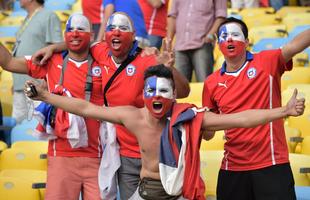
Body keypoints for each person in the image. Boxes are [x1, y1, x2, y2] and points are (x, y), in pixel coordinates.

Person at [25, 64, 305, 200]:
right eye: (151, 90)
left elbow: (241, 119)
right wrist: (46, 97)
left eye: (164, 91)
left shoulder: (189, 118)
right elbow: (85, 107)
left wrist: (284, 111)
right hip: (146, 193)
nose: (157, 96)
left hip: (182, 194)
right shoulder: (132, 117)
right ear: (143, 94)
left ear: (173, 95)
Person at [32, 12, 190, 199]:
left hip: (157, 153)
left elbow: (183, 92)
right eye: (111, 28)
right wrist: (53, 48)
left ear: (133, 37)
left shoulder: (147, 60)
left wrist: (169, 68)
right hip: (125, 155)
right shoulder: (100, 51)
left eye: (123, 28)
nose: (116, 32)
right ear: (105, 36)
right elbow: (79, 41)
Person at [202, 17, 310, 200]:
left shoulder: (267, 61)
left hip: (272, 164)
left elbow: (294, 46)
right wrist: (202, 124)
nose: (229, 39)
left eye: (235, 35)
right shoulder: (211, 82)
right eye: (224, 36)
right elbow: (208, 135)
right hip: (232, 168)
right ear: (218, 43)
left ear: (246, 42)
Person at [0, 13, 104, 200]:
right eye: (70, 29)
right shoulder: (52, 60)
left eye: (81, 29)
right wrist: (55, 48)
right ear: (65, 34)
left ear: (91, 35)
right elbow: (9, 62)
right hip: (61, 155)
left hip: (98, 155)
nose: (74, 33)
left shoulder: (103, 61)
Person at [11, 0, 63, 124]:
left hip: (38, 87)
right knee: (19, 129)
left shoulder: (48, 15)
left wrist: (47, 80)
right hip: (20, 86)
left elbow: (56, 49)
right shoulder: (27, 18)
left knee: (39, 128)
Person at [166, 0, 226, 82]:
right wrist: (169, 40)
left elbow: (221, 16)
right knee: (179, 88)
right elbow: (172, 16)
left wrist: (210, 36)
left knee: (205, 85)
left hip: (202, 44)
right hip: (180, 45)